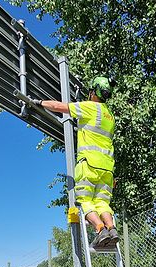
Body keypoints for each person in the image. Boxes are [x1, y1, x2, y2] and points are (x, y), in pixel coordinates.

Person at [32, 76, 118, 248]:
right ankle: (112, 228)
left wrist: (38, 102)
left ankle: (100, 229)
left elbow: (59, 106)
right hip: (108, 168)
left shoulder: (90, 107)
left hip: (89, 164)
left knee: (85, 200)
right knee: (102, 203)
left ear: (94, 92)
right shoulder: (110, 116)